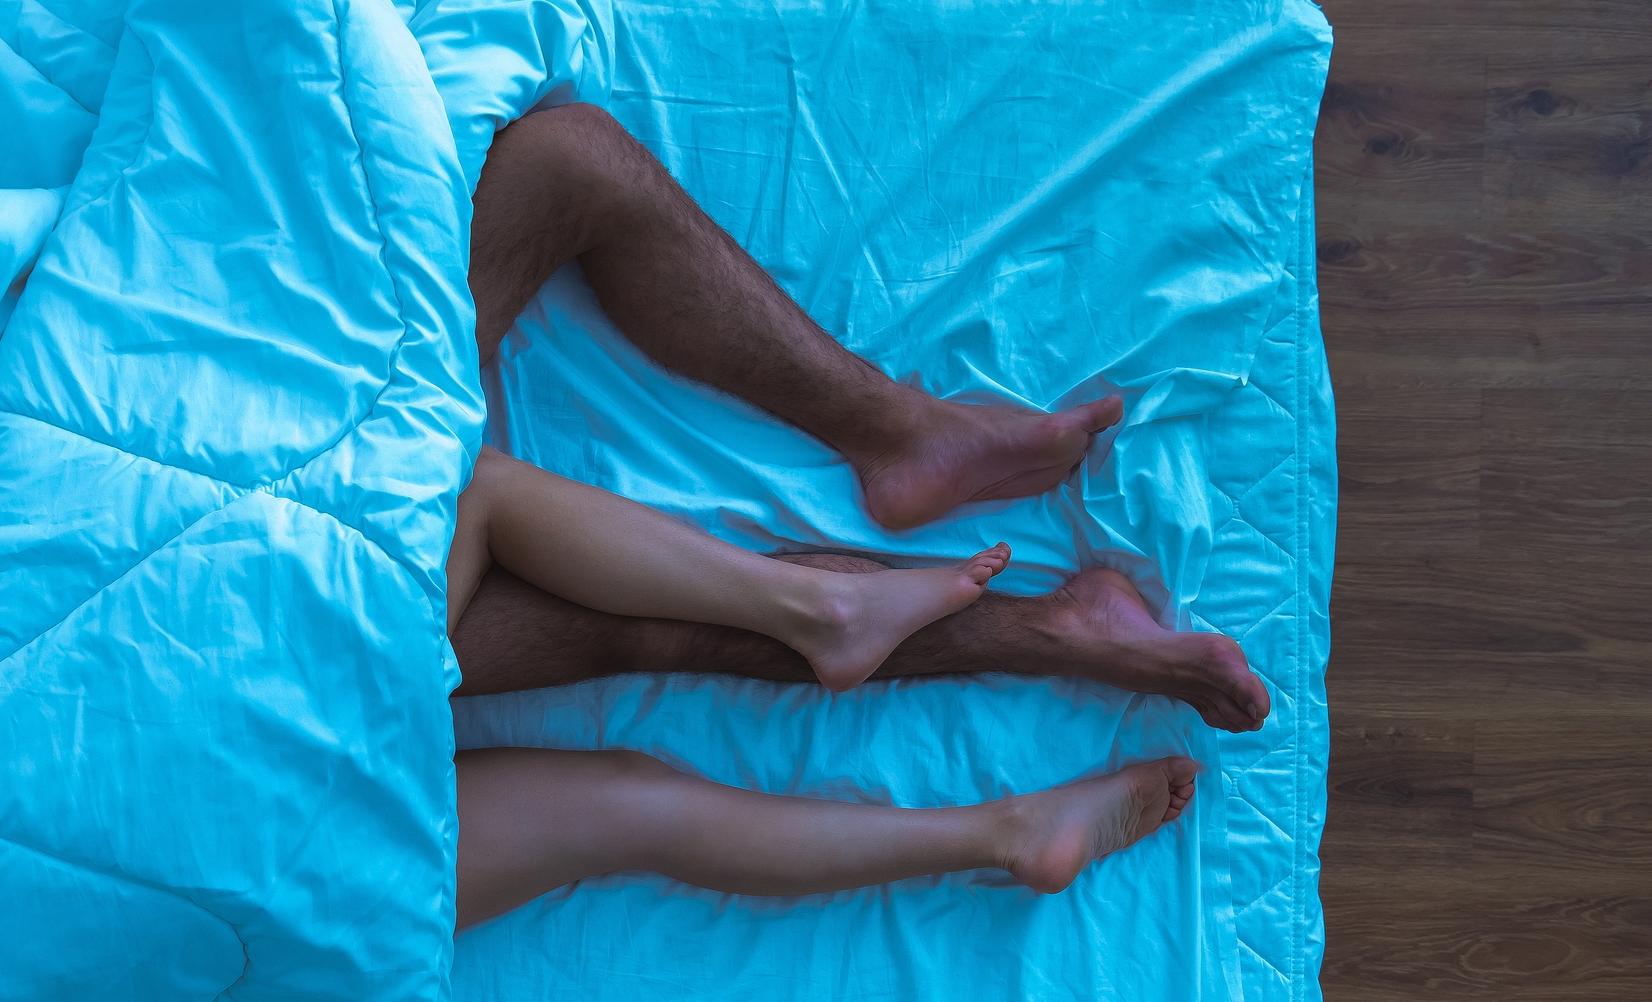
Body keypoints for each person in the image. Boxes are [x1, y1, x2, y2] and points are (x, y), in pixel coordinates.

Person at [453, 102, 1269, 734]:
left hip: (340, 437)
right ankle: (1048, 632)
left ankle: (899, 434)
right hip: (337, 622)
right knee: (640, 627)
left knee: (571, 161)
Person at [444, 449, 1197, 926]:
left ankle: (1005, 834)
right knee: (476, 489)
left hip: (332, 925)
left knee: (633, 809)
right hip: (325, 759)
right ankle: (825, 608)